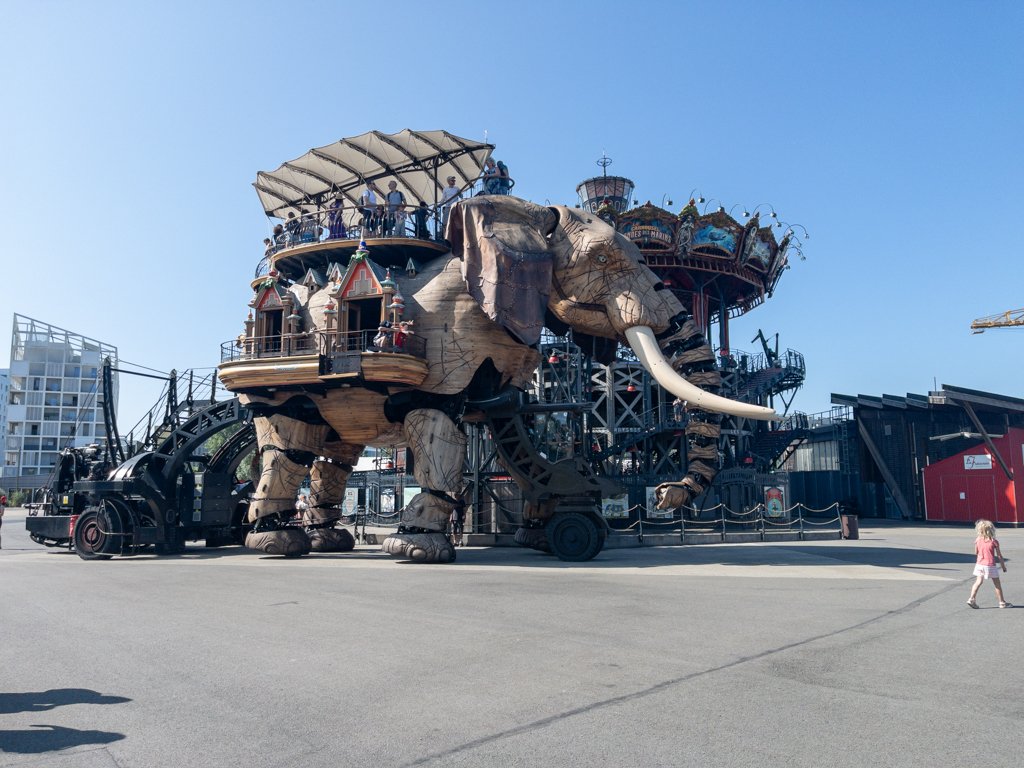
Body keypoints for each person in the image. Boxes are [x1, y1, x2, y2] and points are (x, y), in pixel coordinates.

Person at [967, 519, 1012, 608]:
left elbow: (976, 552)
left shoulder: (978, 540)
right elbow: (999, 556)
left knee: (978, 582)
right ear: (991, 530)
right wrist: (1003, 567)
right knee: (997, 584)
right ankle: (1002, 602)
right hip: (990, 565)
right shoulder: (994, 541)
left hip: (979, 564)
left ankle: (971, 599)